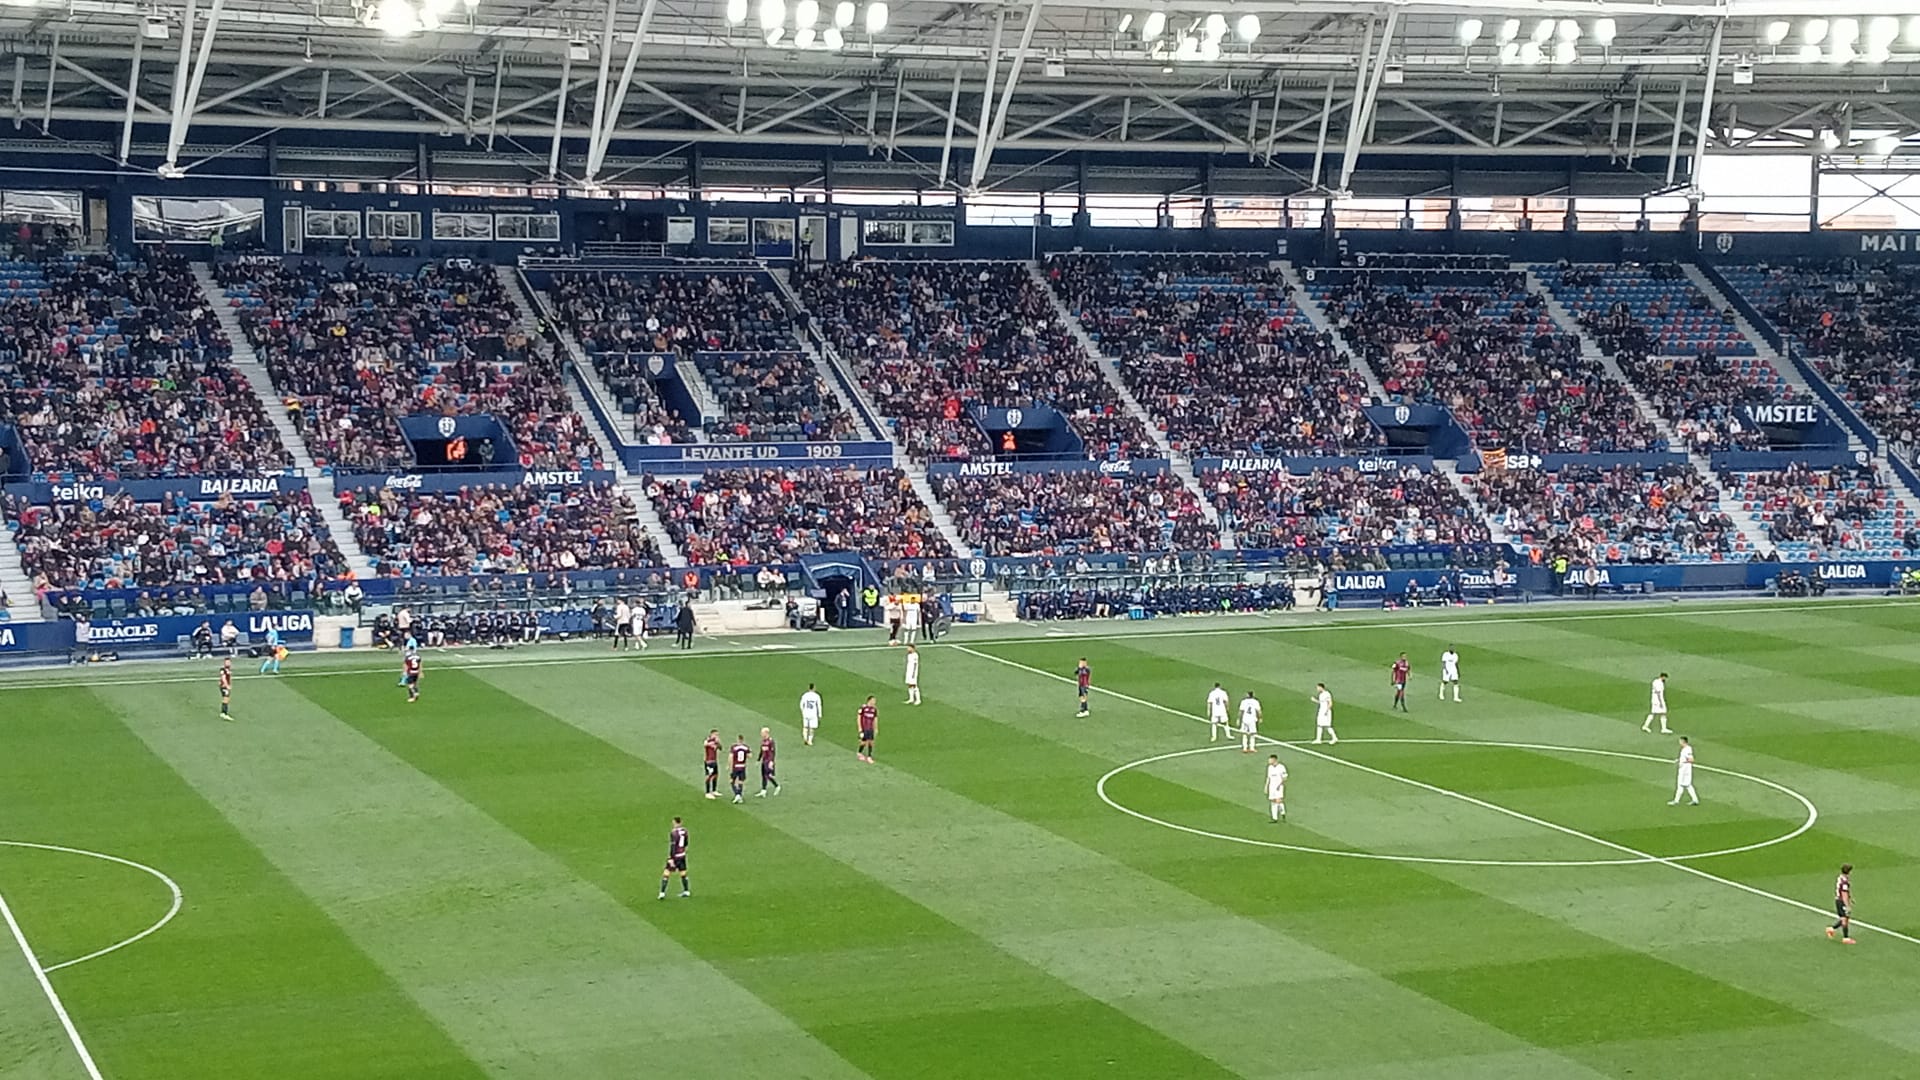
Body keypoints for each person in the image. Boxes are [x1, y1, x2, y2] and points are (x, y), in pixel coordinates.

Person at [657, 817, 690, 900]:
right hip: (682, 855)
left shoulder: (674, 833)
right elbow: (686, 843)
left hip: (675, 856)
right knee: (683, 873)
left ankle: (662, 893)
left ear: (675, 823)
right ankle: (686, 891)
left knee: (666, 873)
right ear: (681, 822)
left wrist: (671, 858)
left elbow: (673, 846)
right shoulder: (685, 831)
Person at [1828, 863, 1855, 944]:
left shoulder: (1841, 878)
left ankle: (1831, 929)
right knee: (1844, 919)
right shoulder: (1844, 881)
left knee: (1845, 918)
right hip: (1841, 901)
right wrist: (1847, 905)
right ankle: (1845, 938)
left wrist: (1850, 898)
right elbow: (1844, 894)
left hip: (1839, 900)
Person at [1669, 735, 1698, 805]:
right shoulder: (1685, 749)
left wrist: (1683, 762)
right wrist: (1679, 760)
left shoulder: (1687, 749)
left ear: (1683, 742)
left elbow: (1691, 759)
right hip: (1685, 768)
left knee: (1681, 784)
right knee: (1687, 785)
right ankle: (1695, 800)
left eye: (1680, 741)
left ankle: (1676, 801)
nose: (1679, 742)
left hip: (1685, 769)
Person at [756, 727, 780, 798]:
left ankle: (777, 786)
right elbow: (761, 751)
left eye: (762, 733)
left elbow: (773, 752)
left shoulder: (771, 741)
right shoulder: (763, 741)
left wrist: (771, 761)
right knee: (763, 775)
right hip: (764, 760)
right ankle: (763, 790)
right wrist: (758, 760)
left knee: (768, 775)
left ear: (766, 733)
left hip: (768, 761)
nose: (761, 734)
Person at [1264, 754, 1289, 823]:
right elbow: (1268, 778)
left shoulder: (1281, 767)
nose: (1269, 761)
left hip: (1279, 787)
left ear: (1274, 760)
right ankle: (1275, 818)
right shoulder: (1269, 767)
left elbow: (1285, 777)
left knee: (1278, 801)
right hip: (1271, 787)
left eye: (1270, 759)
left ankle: (1282, 813)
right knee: (1273, 801)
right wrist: (1266, 787)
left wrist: (1279, 785)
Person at [728, 734, 751, 804]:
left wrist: (729, 766)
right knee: (741, 782)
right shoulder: (746, 747)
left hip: (736, 766)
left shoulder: (734, 747)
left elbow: (730, 757)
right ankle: (740, 797)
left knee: (732, 781)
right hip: (743, 766)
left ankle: (737, 794)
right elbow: (750, 756)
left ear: (738, 740)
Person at [857, 695, 878, 763]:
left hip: (870, 728)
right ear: (869, 700)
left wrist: (876, 728)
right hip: (864, 728)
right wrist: (860, 728)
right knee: (863, 742)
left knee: (871, 742)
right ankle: (859, 753)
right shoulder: (863, 708)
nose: (874, 702)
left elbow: (875, 719)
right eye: (873, 700)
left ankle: (869, 756)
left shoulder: (874, 709)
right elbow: (859, 718)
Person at [703, 729, 722, 799]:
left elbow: (720, 748)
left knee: (715, 775)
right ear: (711, 734)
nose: (717, 736)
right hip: (709, 761)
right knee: (709, 776)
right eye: (716, 734)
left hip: (714, 761)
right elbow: (705, 744)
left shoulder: (716, 742)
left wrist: (718, 743)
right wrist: (711, 743)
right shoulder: (708, 740)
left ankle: (714, 790)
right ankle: (707, 792)